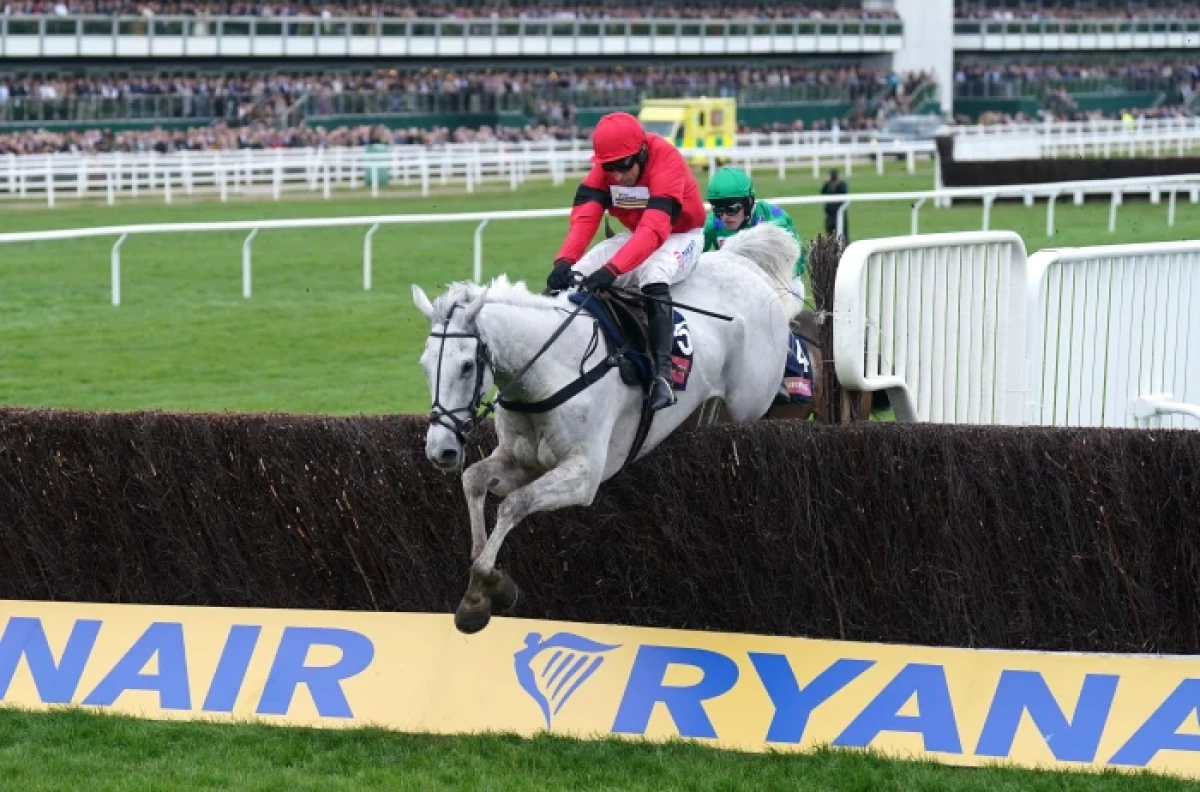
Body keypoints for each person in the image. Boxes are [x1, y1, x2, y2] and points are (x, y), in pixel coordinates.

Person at [545, 111, 707, 411]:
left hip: (681, 235)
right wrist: (564, 261)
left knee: (653, 273)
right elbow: (585, 218)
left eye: (623, 167)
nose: (617, 176)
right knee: (579, 273)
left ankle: (663, 376)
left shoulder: (666, 159)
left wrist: (613, 270)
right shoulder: (605, 171)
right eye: (609, 168)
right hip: (637, 235)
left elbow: (656, 229)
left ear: (642, 152)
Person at [702, 166, 806, 302]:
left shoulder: (774, 219)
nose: (724, 217)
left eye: (731, 209)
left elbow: (798, 260)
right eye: (718, 210)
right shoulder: (713, 224)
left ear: (748, 203)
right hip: (740, 286)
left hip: (782, 285)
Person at [820, 169, 849, 243]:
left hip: (840, 213)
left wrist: (837, 183)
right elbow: (822, 192)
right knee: (829, 233)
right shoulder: (828, 185)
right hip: (829, 214)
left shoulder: (842, 184)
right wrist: (826, 183)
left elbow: (844, 192)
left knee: (842, 233)